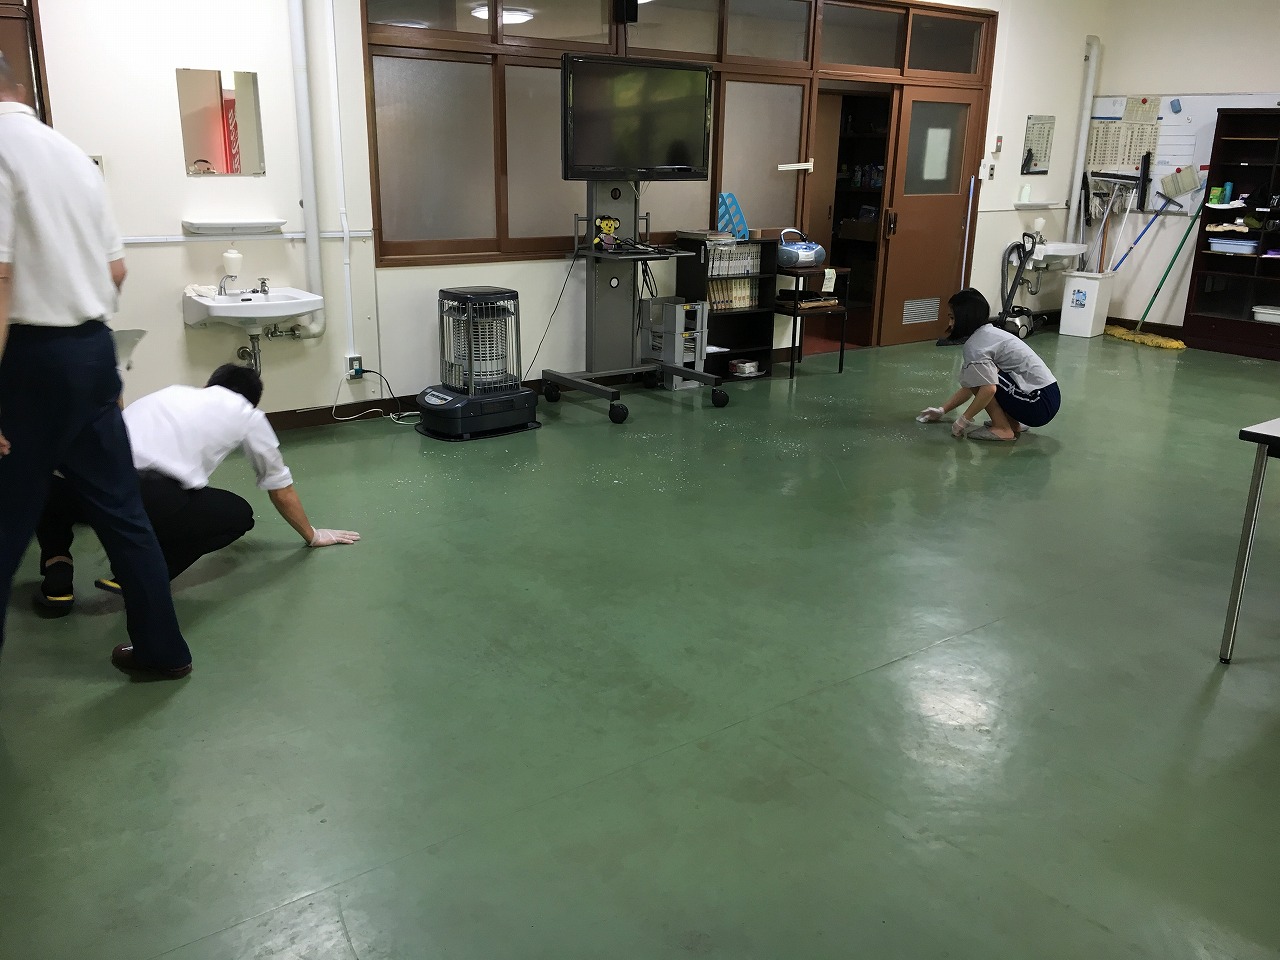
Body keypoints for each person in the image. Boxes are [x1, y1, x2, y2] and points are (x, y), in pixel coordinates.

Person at [0, 52, 193, 680]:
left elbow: (0, 279)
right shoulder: (70, 156)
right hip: (91, 351)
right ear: (18, 85)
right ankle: (163, 651)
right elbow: (116, 269)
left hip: (27, 360)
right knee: (124, 517)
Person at [36, 363, 360, 603]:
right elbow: (280, 488)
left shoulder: (170, 392)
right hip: (146, 497)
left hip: (76, 484)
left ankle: (57, 568)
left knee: (54, 494)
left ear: (209, 384)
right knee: (238, 514)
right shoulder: (248, 415)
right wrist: (312, 535)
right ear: (251, 400)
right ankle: (140, 574)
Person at [917, 288, 1061, 442]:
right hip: (1047, 397)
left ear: (965, 318)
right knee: (982, 376)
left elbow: (987, 388)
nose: (950, 323)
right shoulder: (989, 333)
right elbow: (971, 385)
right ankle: (1012, 424)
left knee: (986, 380)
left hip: (1038, 403)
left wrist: (964, 420)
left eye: (952, 318)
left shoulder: (976, 346)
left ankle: (1002, 428)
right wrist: (942, 410)